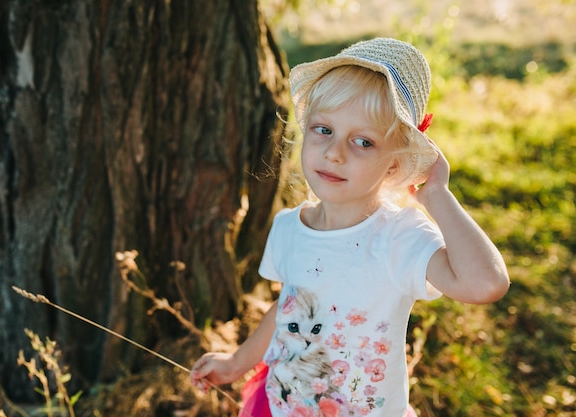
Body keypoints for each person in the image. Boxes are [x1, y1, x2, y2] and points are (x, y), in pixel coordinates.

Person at [190, 37, 510, 417]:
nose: (334, 152)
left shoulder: (399, 238)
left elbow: (486, 284)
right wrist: (236, 362)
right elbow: (288, 307)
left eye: (363, 141)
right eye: (323, 130)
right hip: (283, 404)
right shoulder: (289, 228)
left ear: (394, 164)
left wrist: (436, 195)